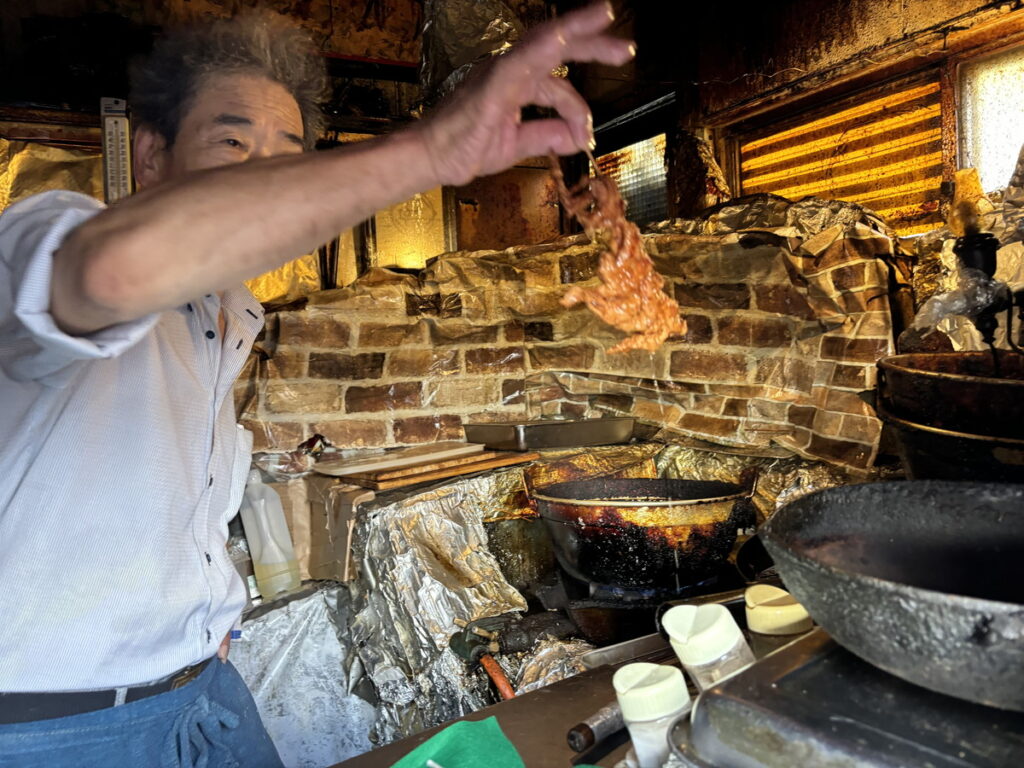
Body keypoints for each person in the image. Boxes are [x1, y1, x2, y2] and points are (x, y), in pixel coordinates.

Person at [0, 3, 633, 766]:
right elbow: (108, 270)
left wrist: (195, 621)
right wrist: (428, 149)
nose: (270, 176)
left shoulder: (223, 319)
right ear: (153, 157)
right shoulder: (40, 240)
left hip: (206, 700)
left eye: (290, 153)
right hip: (50, 731)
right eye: (233, 142)